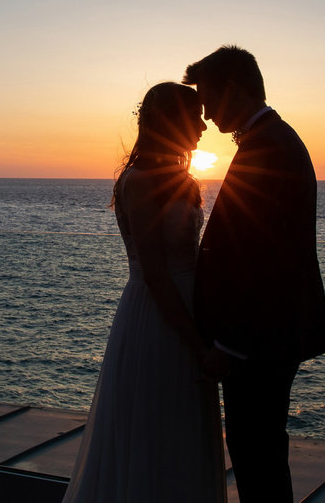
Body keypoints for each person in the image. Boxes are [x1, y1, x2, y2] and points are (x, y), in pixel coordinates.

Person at [62, 82, 227, 503]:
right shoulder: (138, 182)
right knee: (155, 431)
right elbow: (155, 273)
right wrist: (197, 345)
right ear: (172, 121)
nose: (204, 125)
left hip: (191, 311)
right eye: (194, 116)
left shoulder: (183, 180)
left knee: (184, 432)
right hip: (157, 318)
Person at [184, 45, 325, 503]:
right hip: (263, 336)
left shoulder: (269, 147)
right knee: (260, 454)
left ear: (232, 88)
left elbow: (263, 256)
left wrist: (229, 342)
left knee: (258, 458)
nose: (205, 113)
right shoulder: (272, 140)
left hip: (257, 341)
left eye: (208, 97)